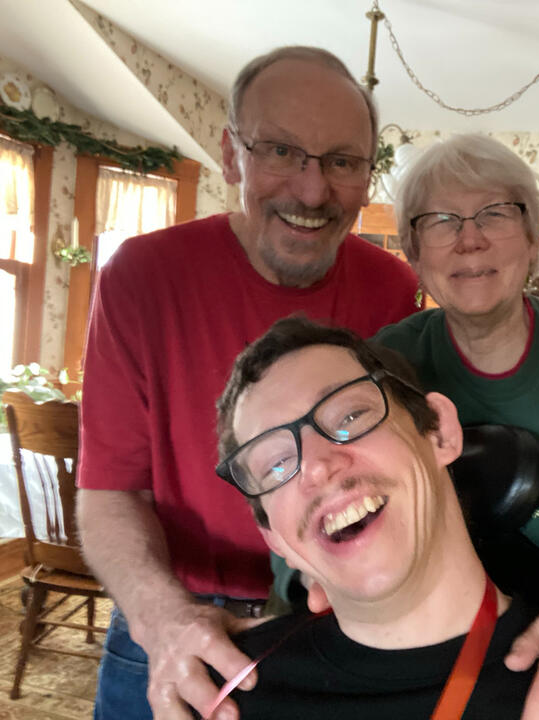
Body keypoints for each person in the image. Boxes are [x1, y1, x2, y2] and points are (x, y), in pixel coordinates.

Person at [272, 133, 539, 720]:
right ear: (414, 251)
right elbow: (309, 509)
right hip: (408, 668)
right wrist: (315, 579)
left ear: (532, 235)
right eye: (441, 221)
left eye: (495, 213)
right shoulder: (376, 370)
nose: (470, 239)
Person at [76, 46, 418, 720]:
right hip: (169, 621)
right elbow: (110, 491)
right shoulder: (141, 276)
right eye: (282, 152)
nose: (312, 191)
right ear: (232, 156)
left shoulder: (394, 289)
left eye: (342, 162)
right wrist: (164, 618)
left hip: (333, 628)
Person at [208, 315, 539, 720]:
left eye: (350, 416)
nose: (315, 466)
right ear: (273, 536)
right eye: (274, 464)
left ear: (439, 433)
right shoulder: (218, 697)